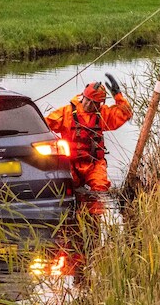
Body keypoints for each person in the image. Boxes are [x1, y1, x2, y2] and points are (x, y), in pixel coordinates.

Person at [45, 75, 132, 213]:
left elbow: (125, 113)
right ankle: (72, 221)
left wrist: (118, 95)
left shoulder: (102, 114)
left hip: (94, 164)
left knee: (100, 191)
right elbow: (44, 126)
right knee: (65, 192)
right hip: (70, 164)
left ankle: (93, 226)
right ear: (83, 97)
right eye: (89, 101)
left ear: (100, 104)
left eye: (95, 103)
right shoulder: (66, 113)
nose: (90, 106)